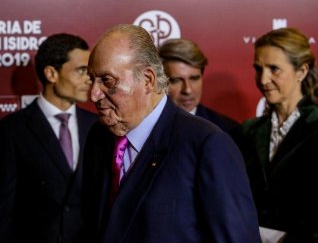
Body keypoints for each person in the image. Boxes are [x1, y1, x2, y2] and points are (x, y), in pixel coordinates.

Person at [80, 24, 261, 242]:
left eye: (107, 81)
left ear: (147, 80)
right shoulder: (98, 137)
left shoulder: (206, 145)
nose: (94, 94)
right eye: (92, 79)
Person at [0, 33, 97, 243]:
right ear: (51, 73)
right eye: (81, 71)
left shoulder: (97, 126)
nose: (89, 79)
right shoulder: (11, 130)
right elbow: (2, 211)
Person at [232, 27, 318, 242]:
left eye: (274, 69)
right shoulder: (247, 131)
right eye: (258, 69)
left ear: (302, 71)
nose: (263, 79)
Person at [158, 38, 239, 132]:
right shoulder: (142, 128)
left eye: (194, 78)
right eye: (176, 80)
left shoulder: (226, 130)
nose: (188, 90)